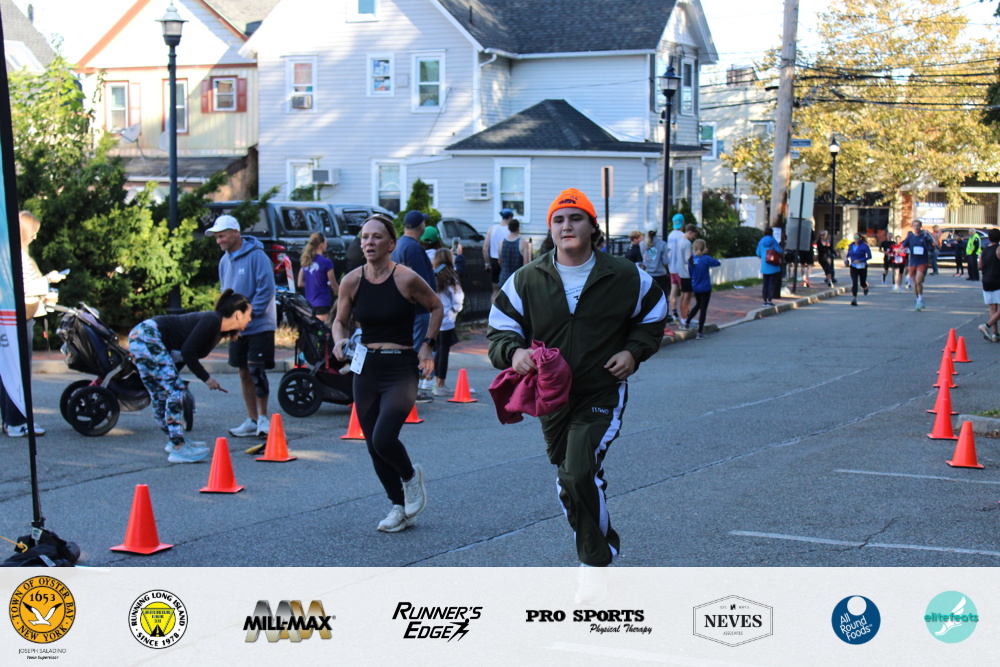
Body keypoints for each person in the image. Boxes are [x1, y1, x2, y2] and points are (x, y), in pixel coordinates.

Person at [487, 187, 667, 567]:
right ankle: (595, 548)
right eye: (558, 220)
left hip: (601, 392)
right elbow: (500, 330)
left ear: (592, 226)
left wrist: (632, 352)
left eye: (575, 218)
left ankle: (596, 561)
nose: (566, 226)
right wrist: (515, 353)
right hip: (551, 398)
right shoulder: (527, 279)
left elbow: (653, 315)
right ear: (551, 228)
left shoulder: (624, 275)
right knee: (571, 477)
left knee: (578, 472)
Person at [332, 215, 442, 533]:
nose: (369, 242)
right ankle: (399, 507)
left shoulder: (406, 278)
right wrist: (339, 339)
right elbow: (340, 320)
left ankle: (410, 477)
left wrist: (427, 346)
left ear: (391, 244)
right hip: (366, 368)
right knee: (373, 445)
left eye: (377, 237)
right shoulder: (351, 280)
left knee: (384, 437)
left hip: (400, 368)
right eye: (365, 237)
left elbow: (436, 306)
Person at [128, 290, 251, 463]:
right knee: (175, 390)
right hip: (148, 335)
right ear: (238, 314)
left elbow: (179, 353)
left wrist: (174, 376)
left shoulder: (217, 329)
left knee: (162, 393)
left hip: (142, 337)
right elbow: (188, 352)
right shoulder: (212, 320)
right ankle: (178, 447)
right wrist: (207, 378)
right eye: (249, 314)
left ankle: (174, 441)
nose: (250, 319)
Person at [204, 214, 277, 450]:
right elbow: (224, 293)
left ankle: (263, 418)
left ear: (235, 233)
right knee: (243, 372)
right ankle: (251, 419)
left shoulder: (257, 256)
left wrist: (248, 316)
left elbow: (266, 289)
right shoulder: (224, 261)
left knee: (256, 371)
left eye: (222, 236)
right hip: (236, 328)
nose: (219, 241)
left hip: (259, 325)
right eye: (216, 237)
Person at [1, 211, 64, 437]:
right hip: (20, 319)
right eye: (33, 232)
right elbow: (23, 288)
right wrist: (48, 280)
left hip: (13, 319)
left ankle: (10, 420)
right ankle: (18, 422)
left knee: (10, 371)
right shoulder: (17, 256)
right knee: (18, 372)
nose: (35, 237)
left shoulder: (8, 253)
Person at [392, 210, 438, 403]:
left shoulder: (399, 245)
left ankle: (403, 389)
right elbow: (420, 281)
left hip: (403, 307)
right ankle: (411, 391)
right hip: (417, 309)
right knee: (416, 350)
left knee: (406, 349)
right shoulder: (413, 248)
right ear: (421, 226)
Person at [431, 248, 465, 396]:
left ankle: (433, 382)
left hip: (433, 317)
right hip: (446, 317)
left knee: (436, 349)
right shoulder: (450, 276)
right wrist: (455, 310)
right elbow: (458, 297)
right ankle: (441, 384)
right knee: (443, 351)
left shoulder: (432, 275)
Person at [297, 233, 338, 321]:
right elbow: (333, 285)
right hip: (322, 301)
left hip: (309, 302)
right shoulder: (327, 262)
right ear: (321, 245)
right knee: (324, 327)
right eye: (325, 243)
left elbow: (300, 283)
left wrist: (312, 284)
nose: (326, 246)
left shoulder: (306, 261)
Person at [684, 239, 720, 339]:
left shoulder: (691, 259)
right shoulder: (706, 258)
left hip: (695, 286)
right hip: (705, 287)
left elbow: (690, 273)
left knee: (698, 304)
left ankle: (687, 322)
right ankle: (700, 332)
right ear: (703, 248)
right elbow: (717, 263)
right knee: (703, 309)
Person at [901, 219, 934, 310]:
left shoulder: (925, 237)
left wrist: (930, 233)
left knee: (918, 281)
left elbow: (935, 244)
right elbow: (901, 247)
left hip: (922, 262)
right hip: (913, 262)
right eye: (915, 225)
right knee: (915, 283)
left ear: (921, 226)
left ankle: (920, 299)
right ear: (912, 226)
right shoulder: (910, 237)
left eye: (918, 225)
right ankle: (918, 300)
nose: (916, 227)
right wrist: (901, 250)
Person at [483, 208, 514, 300]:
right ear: (510, 217)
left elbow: (485, 249)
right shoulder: (510, 231)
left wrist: (487, 263)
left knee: (495, 291)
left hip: (494, 260)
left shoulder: (492, 229)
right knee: (508, 291)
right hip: (507, 261)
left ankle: (493, 308)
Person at [641, 222, 670, 312]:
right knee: (663, 298)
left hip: (648, 274)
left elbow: (643, 259)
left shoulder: (642, 244)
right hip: (661, 274)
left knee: (649, 298)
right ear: (656, 232)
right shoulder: (662, 244)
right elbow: (665, 261)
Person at [978, 228, 1000, 343]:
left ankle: (995, 335)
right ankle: (986, 325)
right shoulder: (998, 249)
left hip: (986, 280)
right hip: (997, 280)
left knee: (993, 307)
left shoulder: (984, 250)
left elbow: (979, 266)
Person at [674, 224, 699, 326]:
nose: (694, 237)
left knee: (683, 294)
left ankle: (684, 317)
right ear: (690, 232)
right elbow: (688, 259)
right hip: (687, 273)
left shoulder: (680, 241)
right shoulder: (687, 243)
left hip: (681, 271)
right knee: (687, 295)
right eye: (694, 235)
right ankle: (685, 319)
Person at [498, 219, 531, 286]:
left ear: (508, 228)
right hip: (517, 279)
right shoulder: (523, 243)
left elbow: (499, 261)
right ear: (518, 228)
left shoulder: (501, 243)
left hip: (504, 278)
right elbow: (526, 263)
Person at [665, 213, 686, 321]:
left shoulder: (670, 236)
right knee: (684, 291)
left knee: (673, 289)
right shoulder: (682, 236)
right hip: (680, 268)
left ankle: (674, 312)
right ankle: (684, 313)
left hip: (671, 268)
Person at [756, 226, 782, 307]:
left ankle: (764, 300)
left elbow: (758, 253)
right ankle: (770, 300)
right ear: (772, 233)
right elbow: (780, 251)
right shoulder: (774, 241)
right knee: (771, 283)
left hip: (764, 265)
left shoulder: (761, 241)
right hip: (773, 265)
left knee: (765, 284)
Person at [844, 233, 872, 307]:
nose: (855, 238)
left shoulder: (864, 246)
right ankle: (854, 298)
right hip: (853, 266)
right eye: (854, 237)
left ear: (860, 238)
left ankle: (865, 287)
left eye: (857, 237)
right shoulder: (851, 245)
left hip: (862, 266)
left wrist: (860, 260)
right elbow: (849, 253)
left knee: (862, 283)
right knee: (854, 282)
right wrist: (846, 258)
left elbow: (869, 256)